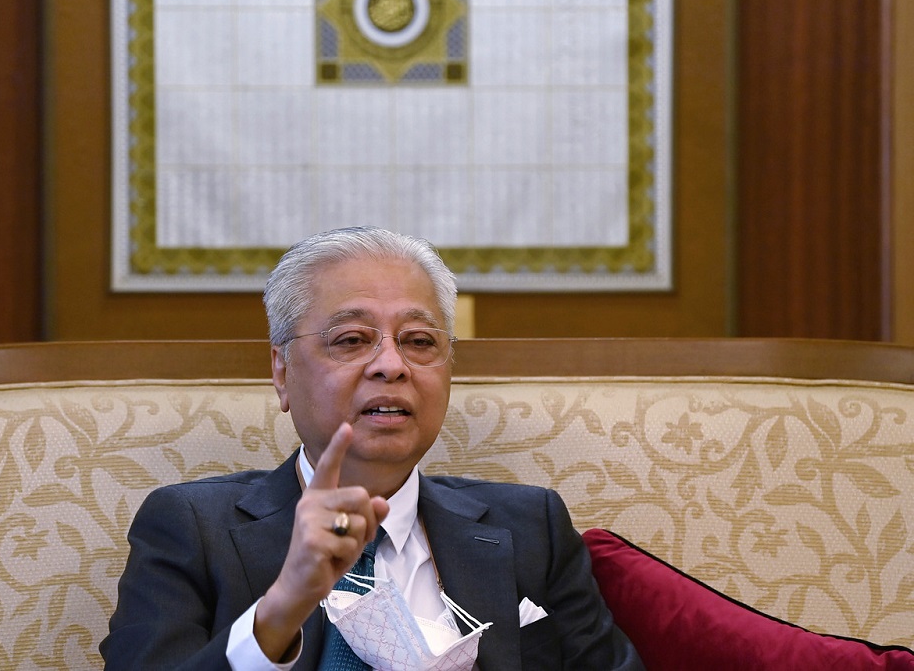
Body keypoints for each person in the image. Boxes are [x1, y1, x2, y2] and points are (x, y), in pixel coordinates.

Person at [100, 226, 644, 670]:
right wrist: (281, 607)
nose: (391, 364)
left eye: (419, 341)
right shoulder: (191, 528)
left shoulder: (532, 527)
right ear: (282, 372)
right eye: (351, 340)